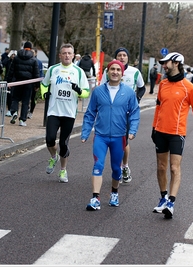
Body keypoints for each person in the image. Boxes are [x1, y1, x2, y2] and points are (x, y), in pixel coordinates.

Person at [151, 52, 193, 219]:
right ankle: (163, 198)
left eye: (166, 62)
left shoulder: (189, 87)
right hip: (160, 131)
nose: (163, 65)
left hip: (177, 133)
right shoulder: (162, 84)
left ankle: (171, 202)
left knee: (174, 167)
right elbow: (158, 107)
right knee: (161, 167)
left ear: (176, 63)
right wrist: (154, 128)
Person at [81, 60, 140, 210]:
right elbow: (90, 113)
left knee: (116, 168)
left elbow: (134, 112)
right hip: (100, 135)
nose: (115, 72)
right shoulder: (98, 91)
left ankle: (114, 193)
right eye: (112, 69)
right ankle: (95, 198)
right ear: (107, 72)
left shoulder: (128, 92)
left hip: (119, 137)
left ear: (122, 73)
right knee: (98, 165)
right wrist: (85, 132)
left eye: (118, 70)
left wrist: (132, 131)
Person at [40, 43, 90, 183]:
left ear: (73, 55)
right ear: (60, 55)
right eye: (64, 53)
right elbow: (44, 84)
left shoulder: (78, 71)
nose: (67, 55)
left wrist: (79, 91)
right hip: (54, 111)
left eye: (69, 53)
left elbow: (86, 92)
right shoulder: (53, 69)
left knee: (64, 144)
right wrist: (45, 94)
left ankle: (63, 170)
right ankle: (53, 157)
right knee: (49, 139)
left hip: (69, 113)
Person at [100, 47, 146, 183]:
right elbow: (102, 88)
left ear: (128, 58)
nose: (122, 57)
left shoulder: (135, 72)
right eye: (119, 55)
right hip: (111, 112)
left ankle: (123, 166)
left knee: (123, 141)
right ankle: (119, 167)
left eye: (124, 55)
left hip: (127, 112)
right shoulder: (108, 71)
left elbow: (142, 87)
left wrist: (136, 99)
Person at [7, 41, 40, 127]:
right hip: (28, 83)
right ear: (31, 48)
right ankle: (22, 120)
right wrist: (37, 85)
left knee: (15, 98)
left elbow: (11, 71)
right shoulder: (33, 59)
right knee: (25, 102)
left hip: (18, 81)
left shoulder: (16, 58)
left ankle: (14, 111)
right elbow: (36, 73)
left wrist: (9, 82)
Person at [28, 48, 44, 119]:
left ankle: (31, 111)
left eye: (33, 52)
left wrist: (38, 84)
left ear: (36, 53)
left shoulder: (39, 62)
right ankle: (26, 110)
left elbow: (40, 73)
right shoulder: (27, 60)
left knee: (33, 98)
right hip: (28, 82)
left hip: (34, 83)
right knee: (26, 98)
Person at [4, 49, 17, 117]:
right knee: (8, 95)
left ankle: (14, 110)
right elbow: (3, 63)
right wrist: (7, 56)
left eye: (14, 55)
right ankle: (9, 109)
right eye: (12, 54)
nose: (13, 56)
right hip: (8, 80)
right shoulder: (8, 62)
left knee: (14, 96)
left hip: (15, 80)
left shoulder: (17, 62)